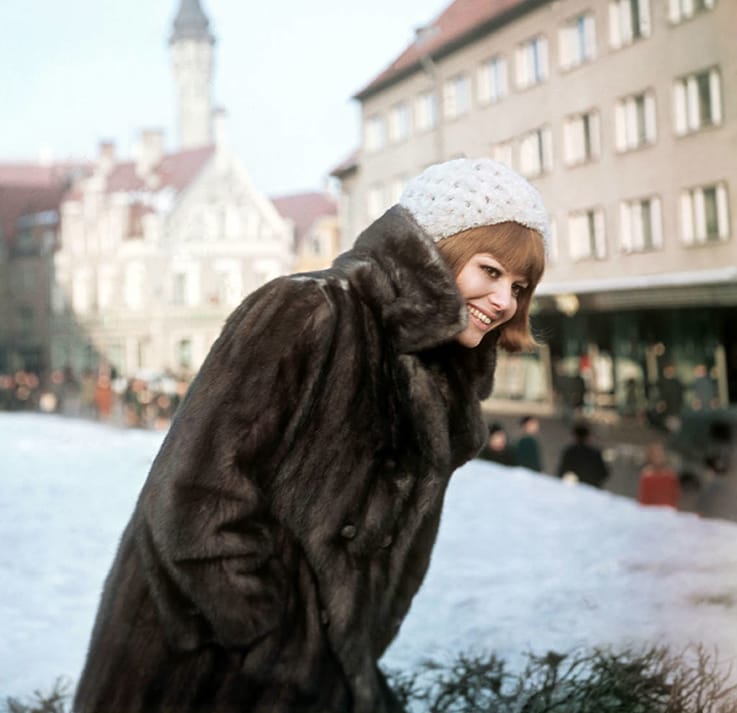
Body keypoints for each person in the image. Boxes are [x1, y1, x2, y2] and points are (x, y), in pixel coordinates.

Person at [74, 157, 549, 713]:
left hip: (314, 677)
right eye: (490, 271)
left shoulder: (443, 380)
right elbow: (197, 495)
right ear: (432, 253)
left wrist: (342, 656)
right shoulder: (309, 309)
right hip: (202, 671)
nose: (505, 302)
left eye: (518, 286)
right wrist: (277, 650)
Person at [556, 421, 609, 488]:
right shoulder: (595, 453)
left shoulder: (570, 452)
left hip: (577, 490)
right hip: (592, 490)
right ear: (588, 436)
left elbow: (561, 473)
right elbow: (604, 473)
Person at [637, 441, 680, 509]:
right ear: (650, 457)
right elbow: (643, 500)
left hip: (666, 513)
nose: (658, 457)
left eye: (660, 454)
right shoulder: (647, 477)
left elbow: (674, 498)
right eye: (655, 455)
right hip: (651, 512)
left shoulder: (671, 476)